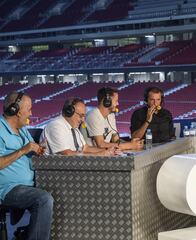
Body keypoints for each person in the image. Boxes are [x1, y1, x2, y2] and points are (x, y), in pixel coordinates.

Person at [0, 91, 53, 240]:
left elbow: (32, 148)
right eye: (29, 109)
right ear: (15, 110)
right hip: (7, 188)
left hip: (28, 185)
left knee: (59, 193)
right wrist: (24, 149)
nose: (31, 112)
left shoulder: (22, 129)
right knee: (43, 199)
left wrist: (38, 149)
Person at [41, 97, 119, 155]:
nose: (82, 120)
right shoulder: (56, 126)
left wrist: (107, 151)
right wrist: (100, 154)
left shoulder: (74, 127)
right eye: (81, 116)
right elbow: (68, 154)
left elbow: (85, 148)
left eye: (84, 116)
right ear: (69, 112)